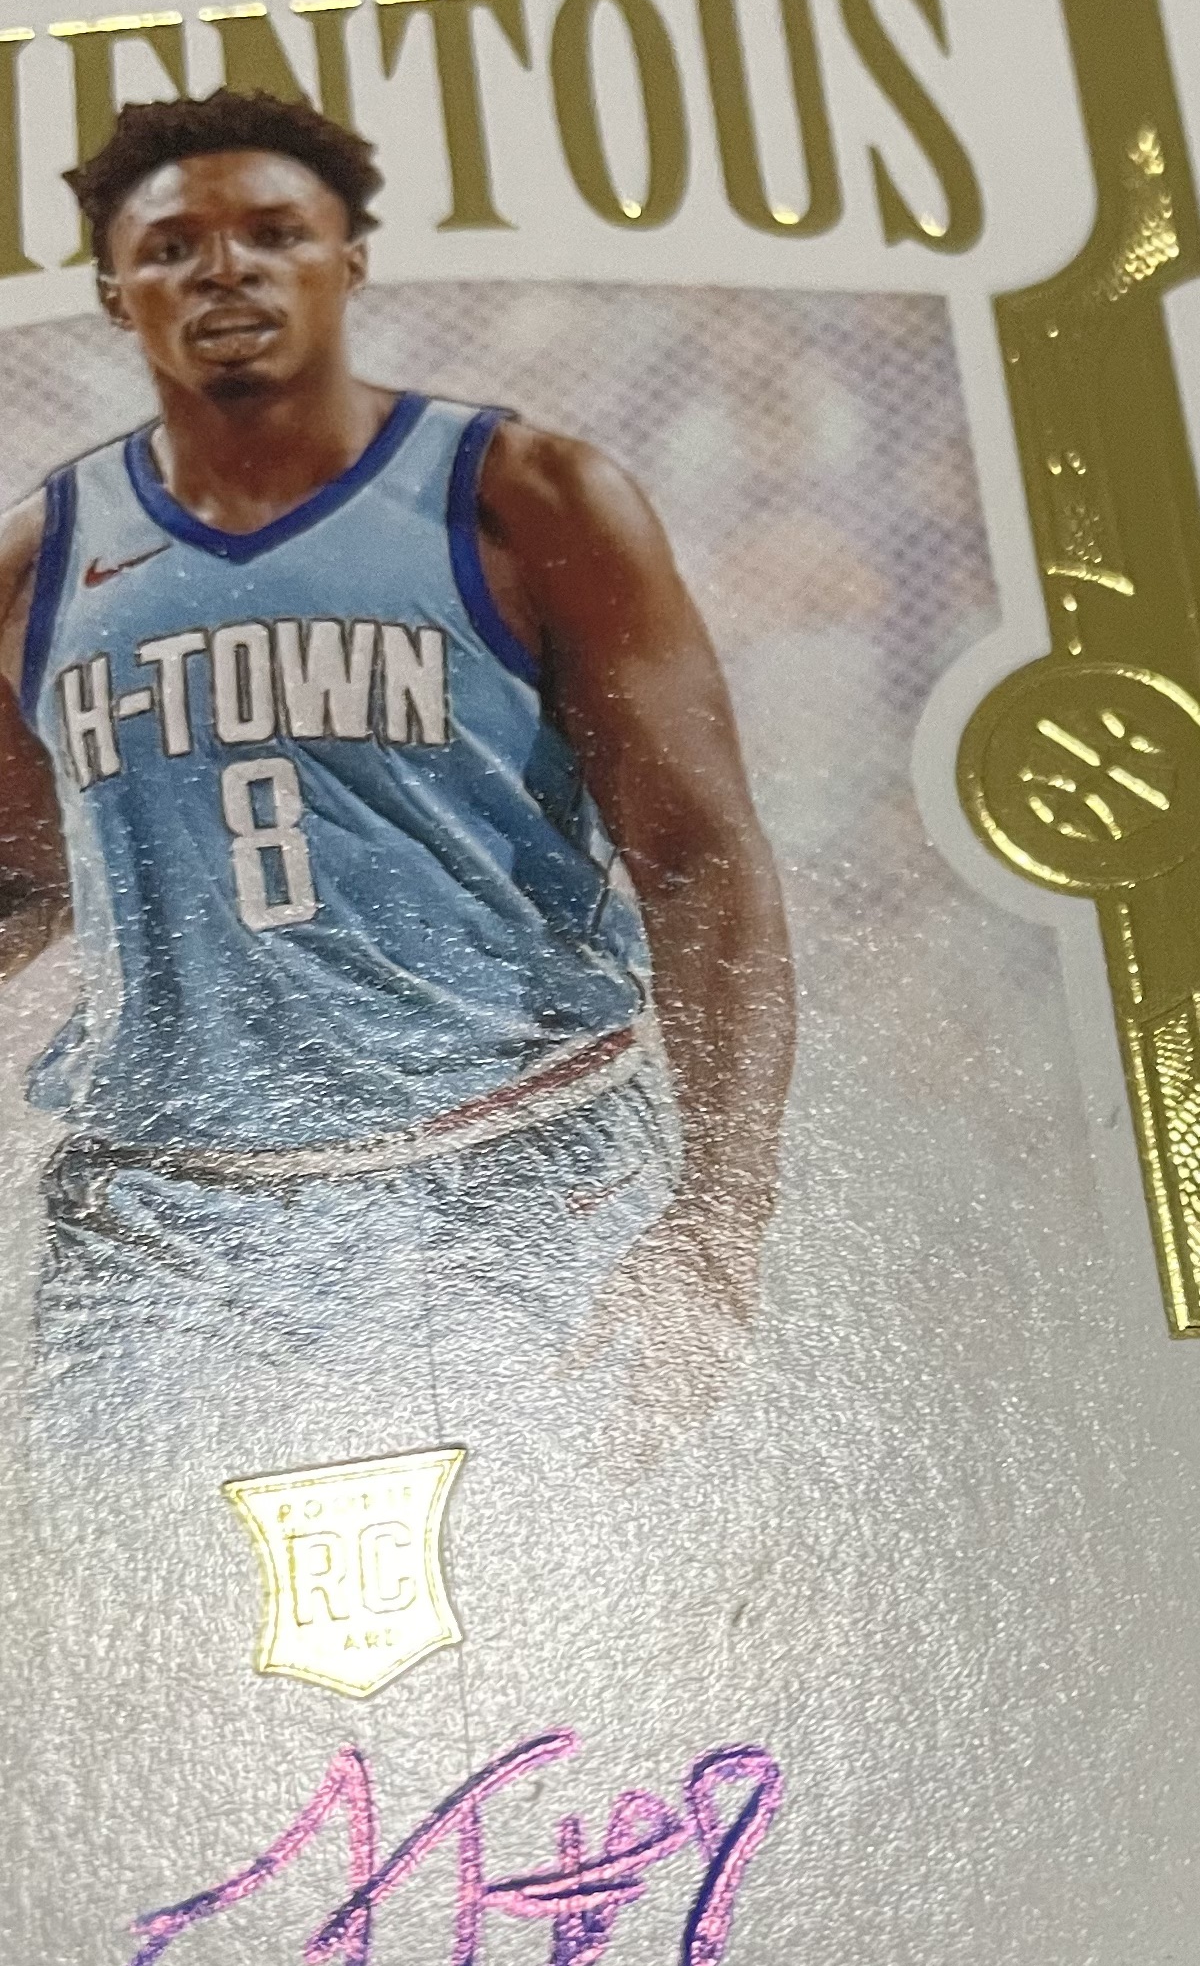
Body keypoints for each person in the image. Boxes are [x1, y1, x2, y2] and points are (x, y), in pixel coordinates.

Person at [0, 89, 793, 1480]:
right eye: (173, 247)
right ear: (116, 293)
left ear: (349, 260)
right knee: (135, 1597)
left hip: (518, 1158)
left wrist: (716, 1229)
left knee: (581, 1570)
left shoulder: (527, 497)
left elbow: (696, 859)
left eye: (273, 233)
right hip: (168, 1213)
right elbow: (27, 885)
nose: (225, 270)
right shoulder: (35, 563)